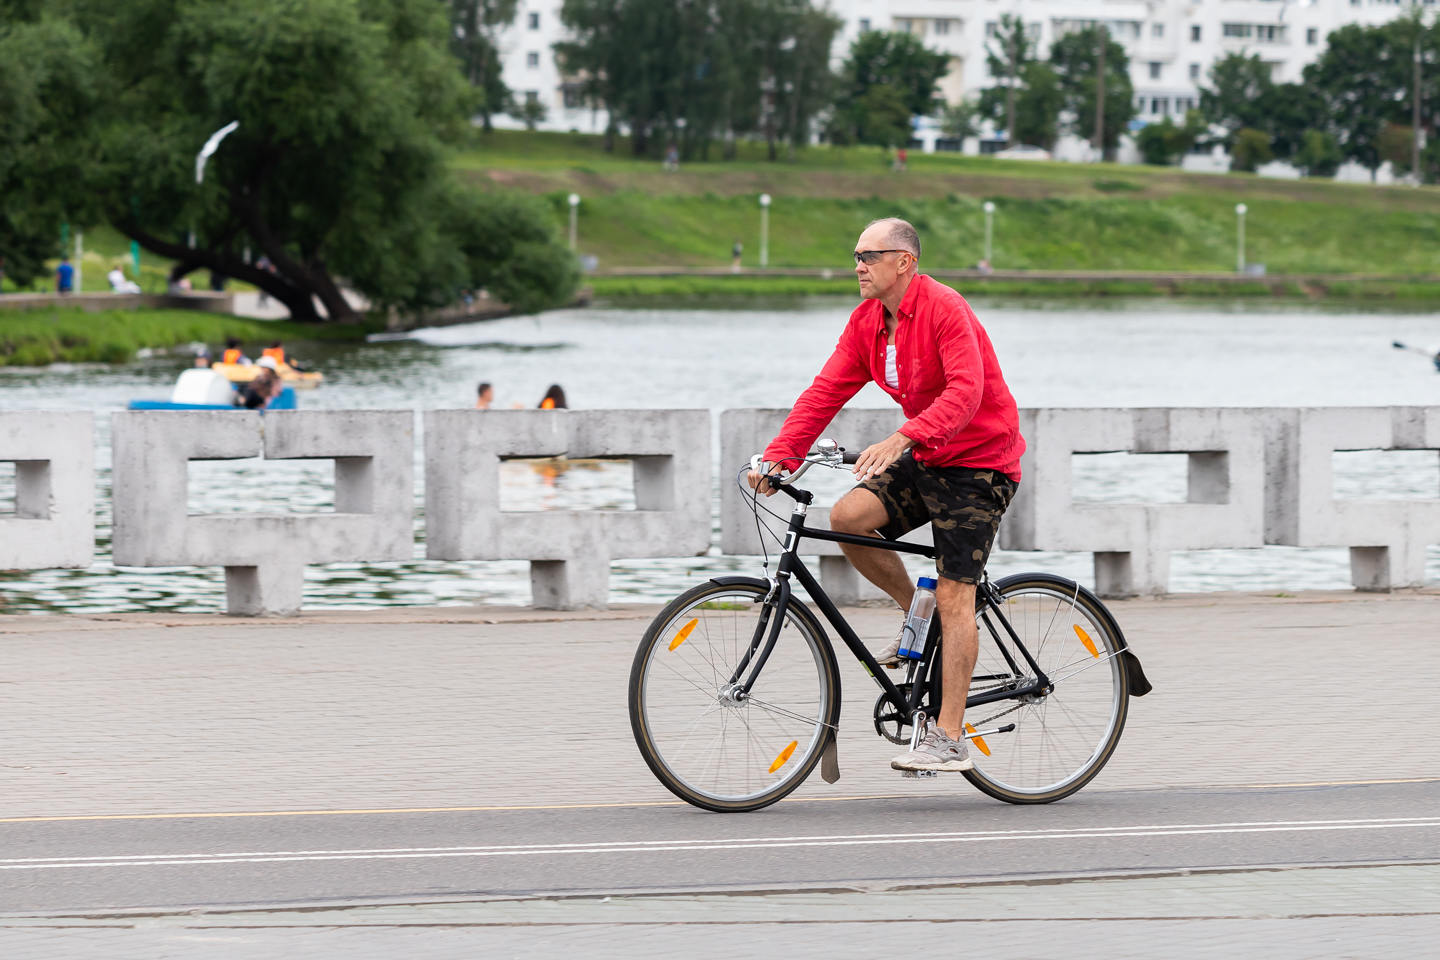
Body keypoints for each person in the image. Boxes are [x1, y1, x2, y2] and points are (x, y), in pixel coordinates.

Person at [747, 217, 1025, 775]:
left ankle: (948, 736)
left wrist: (904, 436)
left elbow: (966, 393)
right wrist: (780, 455)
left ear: (905, 262)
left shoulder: (946, 308)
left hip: (980, 464)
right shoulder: (867, 324)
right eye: (855, 255)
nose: (858, 265)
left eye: (870, 255)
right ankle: (914, 621)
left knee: (955, 593)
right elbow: (825, 392)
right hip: (928, 455)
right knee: (848, 514)